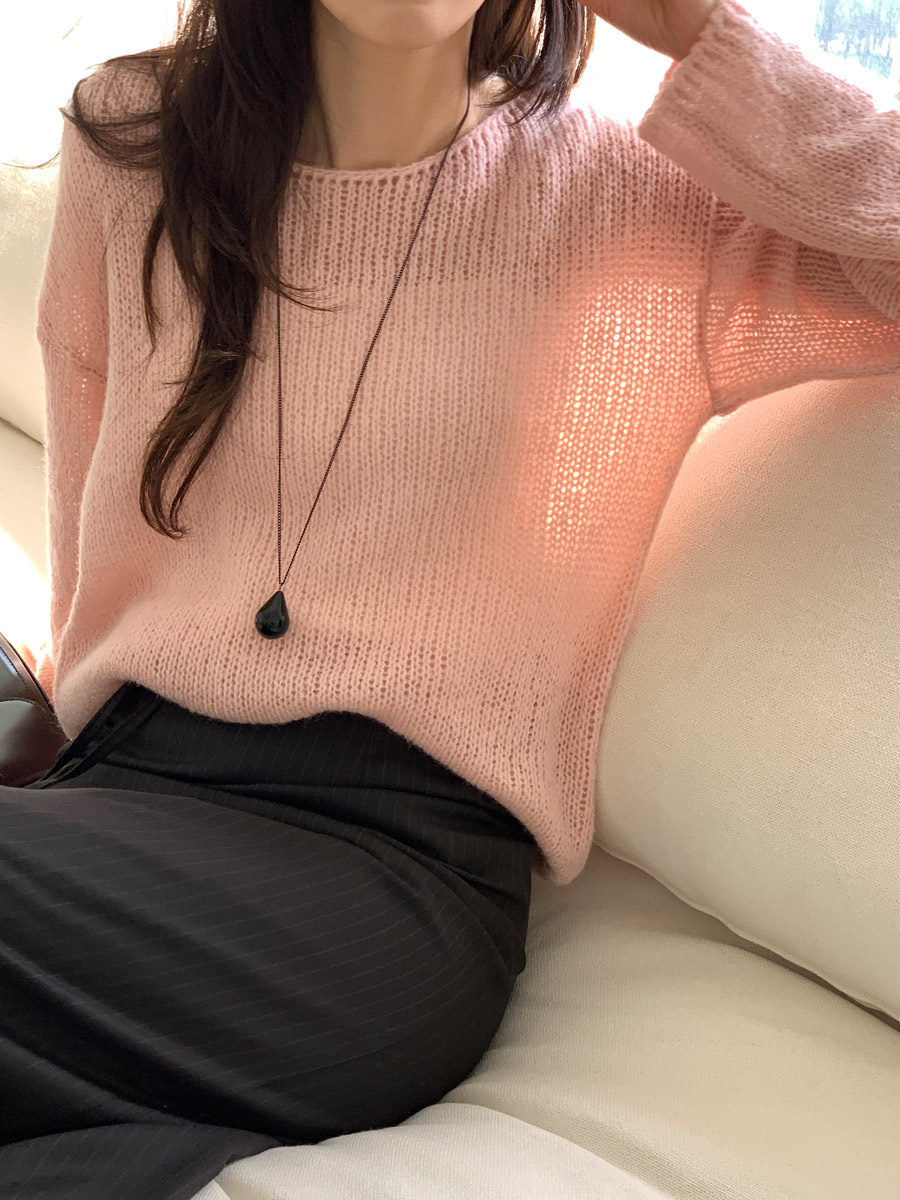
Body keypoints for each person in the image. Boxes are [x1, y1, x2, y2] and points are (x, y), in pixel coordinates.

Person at [5, 0, 900, 1196]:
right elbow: (88, 491)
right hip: (120, 789)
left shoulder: (640, 194)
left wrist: (697, 30)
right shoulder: (134, 138)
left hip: (385, 877)